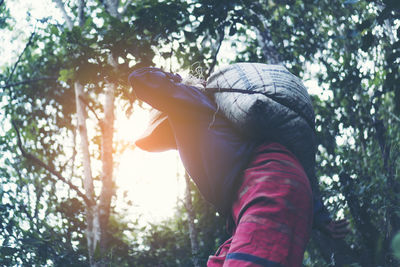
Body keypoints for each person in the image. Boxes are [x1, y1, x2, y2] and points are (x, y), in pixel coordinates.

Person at [128, 66, 349, 267]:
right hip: (273, 189)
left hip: (269, 187)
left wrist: (173, 79)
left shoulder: (194, 102)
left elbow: (140, 78)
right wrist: (322, 219)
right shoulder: (205, 125)